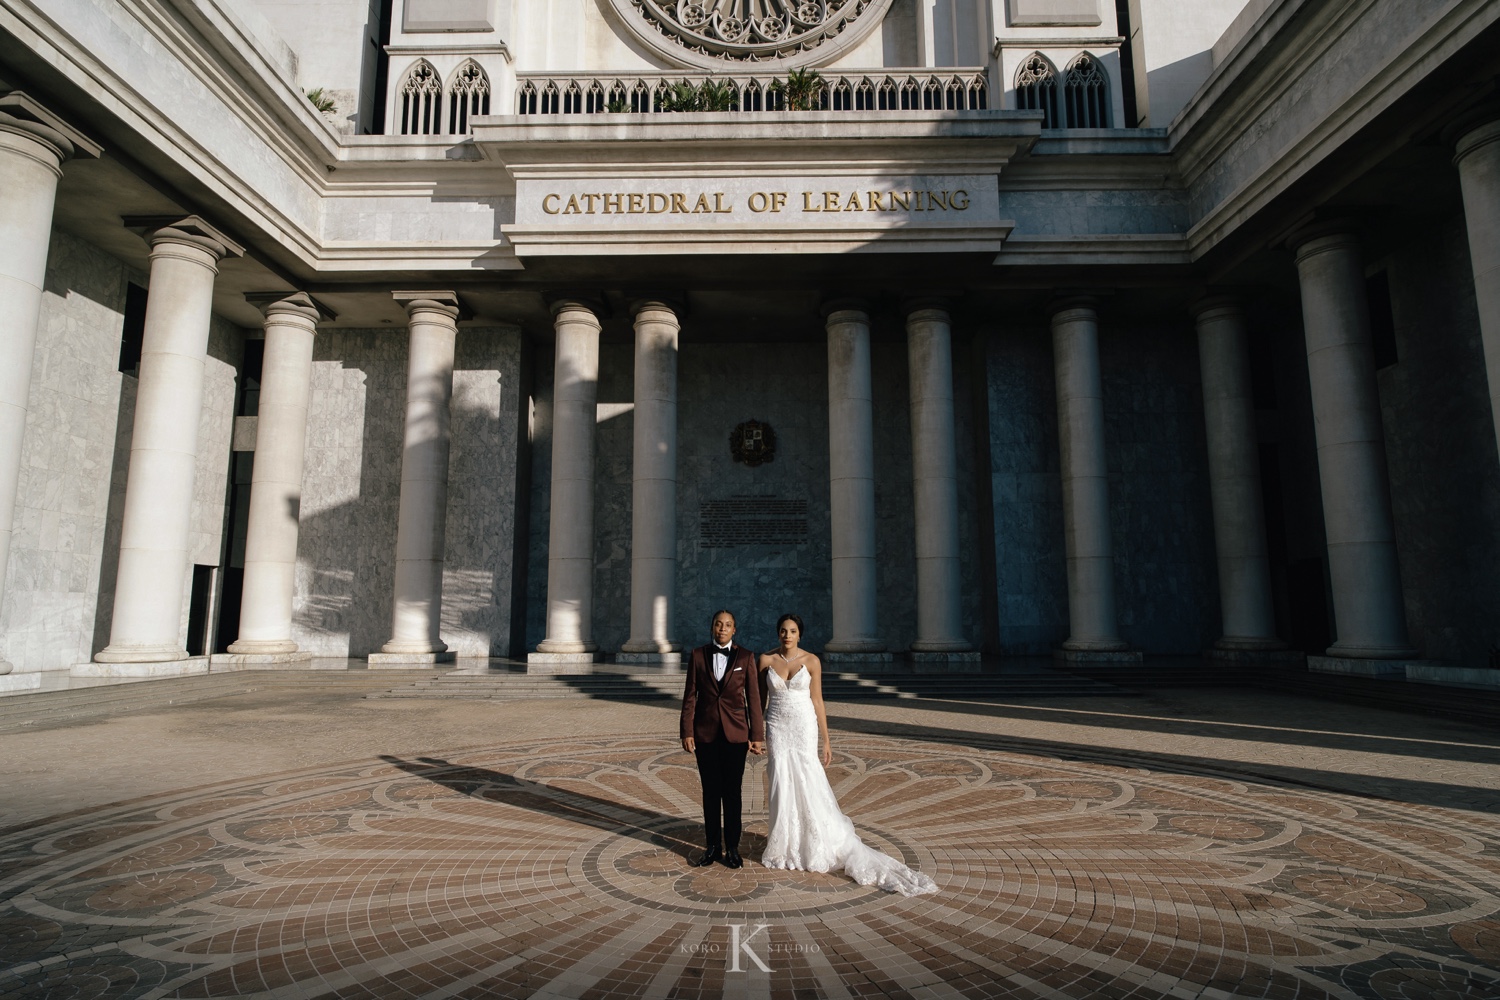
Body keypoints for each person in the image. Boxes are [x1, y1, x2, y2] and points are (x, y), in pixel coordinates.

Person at [758, 613, 939, 896]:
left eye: (792, 631)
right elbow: (758, 701)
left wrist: (827, 741)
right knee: (780, 778)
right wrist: (755, 732)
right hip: (777, 725)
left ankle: (814, 841)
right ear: (777, 633)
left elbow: (817, 700)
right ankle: (784, 843)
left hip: (803, 726)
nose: (787, 635)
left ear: (800, 634)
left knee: (808, 779)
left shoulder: (812, 661)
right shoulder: (766, 660)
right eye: (783, 630)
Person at [680, 609, 765, 868]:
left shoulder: (747, 657)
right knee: (710, 793)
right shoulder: (697, 655)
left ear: (734, 629)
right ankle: (713, 847)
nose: (722, 628)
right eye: (718, 624)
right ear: (712, 627)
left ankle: (733, 848)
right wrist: (687, 731)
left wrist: (756, 735)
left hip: (735, 735)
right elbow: (690, 696)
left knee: (732, 793)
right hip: (705, 734)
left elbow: (754, 699)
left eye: (728, 625)